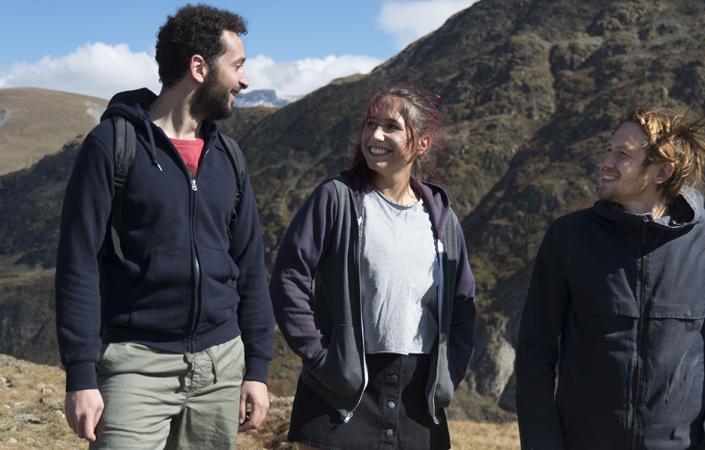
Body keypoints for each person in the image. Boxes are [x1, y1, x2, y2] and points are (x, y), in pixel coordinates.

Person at [55, 5, 273, 448]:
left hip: (221, 366)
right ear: (199, 68)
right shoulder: (112, 145)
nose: (244, 81)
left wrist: (257, 368)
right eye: (237, 66)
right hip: (135, 365)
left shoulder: (229, 156)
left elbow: (250, 266)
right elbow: (78, 263)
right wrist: (80, 374)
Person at [515, 107, 705, 449]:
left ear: (662, 171)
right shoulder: (568, 237)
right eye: (608, 150)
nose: (606, 162)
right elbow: (534, 353)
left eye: (623, 154)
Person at [270, 84, 476, 450]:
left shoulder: (442, 220)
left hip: (418, 404)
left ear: (422, 143)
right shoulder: (336, 199)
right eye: (369, 124)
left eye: (391, 127)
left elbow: (463, 306)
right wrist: (321, 356)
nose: (375, 136)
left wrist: (449, 372)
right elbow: (289, 277)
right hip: (339, 400)